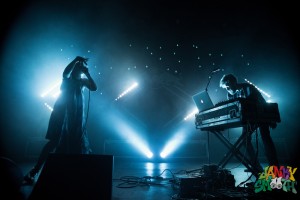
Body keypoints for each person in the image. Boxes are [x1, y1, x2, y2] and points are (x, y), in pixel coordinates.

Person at [23, 56, 97, 184]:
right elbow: (65, 72)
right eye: (77, 68)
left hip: (76, 118)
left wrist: (88, 74)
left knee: (78, 143)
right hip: (61, 115)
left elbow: (94, 88)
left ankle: (78, 174)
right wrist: (75, 60)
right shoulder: (67, 80)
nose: (78, 70)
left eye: (80, 68)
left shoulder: (83, 81)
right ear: (74, 69)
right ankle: (35, 171)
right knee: (54, 142)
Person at [219, 74, 279, 173]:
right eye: (226, 88)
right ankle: (255, 165)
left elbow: (260, 101)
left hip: (261, 114)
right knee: (245, 139)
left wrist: (271, 118)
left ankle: (275, 167)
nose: (228, 89)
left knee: (265, 138)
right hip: (248, 118)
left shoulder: (248, 87)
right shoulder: (230, 94)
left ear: (234, 82)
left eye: (228, 86)